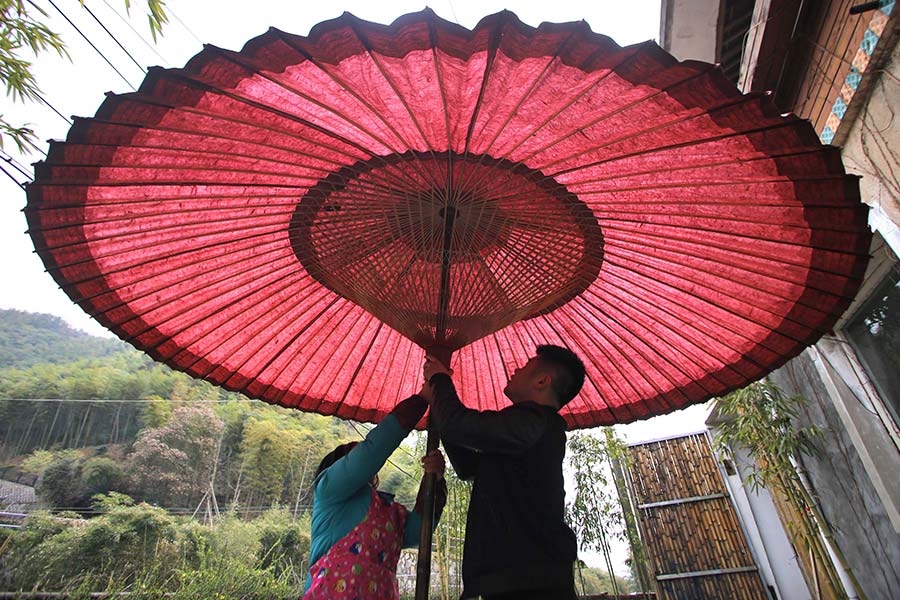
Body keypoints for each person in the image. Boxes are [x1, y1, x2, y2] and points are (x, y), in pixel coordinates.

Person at [421, 345, 585, 600]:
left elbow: (460, 425)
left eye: (525, 366)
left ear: (542, 381)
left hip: (530, 582)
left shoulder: (535, 420)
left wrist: (440, 379)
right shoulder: (531, 430)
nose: (516, 369)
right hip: (518, 578)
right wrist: (439, 406)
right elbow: (470, 467)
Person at [302, 394, 447, 600]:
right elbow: (370, 454)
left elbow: (419, 531)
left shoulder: (390, 512)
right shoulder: (329, 490)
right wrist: (421, 399)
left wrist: (435, 479)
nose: (362, 453)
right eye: (355, 453)